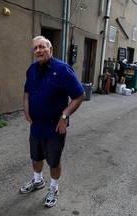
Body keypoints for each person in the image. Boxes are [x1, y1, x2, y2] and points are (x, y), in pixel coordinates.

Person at [20, 35, 85, 208]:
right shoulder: (32, 69)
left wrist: (64, 117)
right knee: (36, 156)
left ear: (51, 49)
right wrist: (26, 108)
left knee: (54, 161)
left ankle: (53, 188)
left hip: (56, 127)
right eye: (35, 48)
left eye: (42, 46)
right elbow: (26, 92)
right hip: (36, 125)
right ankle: (37, 180)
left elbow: (79, 95)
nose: (38, 50)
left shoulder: (63, 69)